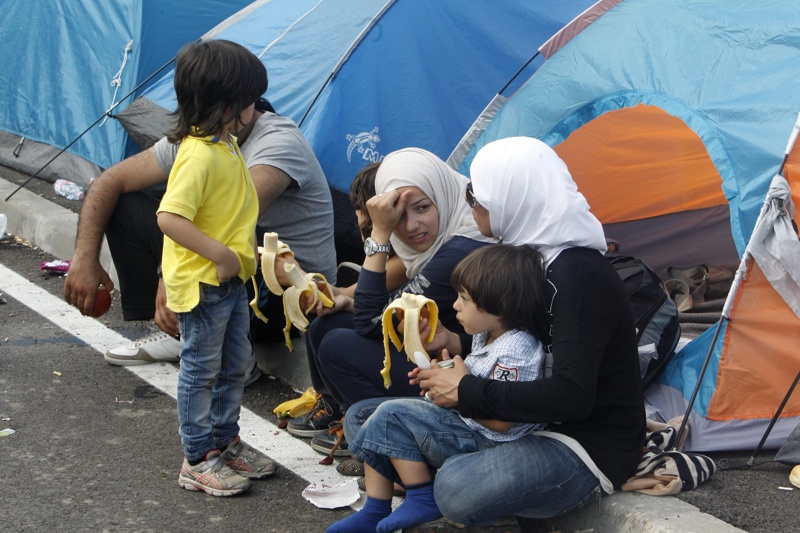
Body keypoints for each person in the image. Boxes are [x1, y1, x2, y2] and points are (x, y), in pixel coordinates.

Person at [344, 136, 646, 525]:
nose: (471, 207)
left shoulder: (577, 274)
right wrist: (457, 342)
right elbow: (526, 340)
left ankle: (447, 479)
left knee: (455, 488)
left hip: (579, 442)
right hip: (519, 424)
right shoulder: (530, 254)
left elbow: (572, 396)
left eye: (477, 198)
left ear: (511, 199)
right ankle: (459, 474)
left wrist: (466, 391)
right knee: (364, 417)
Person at [63, 49, 337, 373]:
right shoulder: (201, 133)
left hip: (287, 298)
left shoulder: (278, 142)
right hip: (224, 272)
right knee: (125, 204)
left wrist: (167, 276)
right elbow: (110, 181)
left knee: (245, 241)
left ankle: (233, 353)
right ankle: (185, 332)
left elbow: (230, 219)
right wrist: (83, 258)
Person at [327, 243, 548, 533]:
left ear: (501, 305)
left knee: (390, 415)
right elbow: (472, 378)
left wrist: (455, 396)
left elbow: (502, 422)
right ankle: (375, 508)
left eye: (464, 299)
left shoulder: (516, 351)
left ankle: (421, 495)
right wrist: (442, 374)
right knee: (362, 413)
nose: (455, 305)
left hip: (488, 441)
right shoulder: (487, 333)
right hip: (466, 422)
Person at [286, 148, 495, 453]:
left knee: (336, 345)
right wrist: (345, 300)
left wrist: (381, 235)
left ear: (443, 194)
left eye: (423, 208)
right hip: (444, 350)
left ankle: (398, 444)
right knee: (325, 323)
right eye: (398, 216)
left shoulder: (461, 247)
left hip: (462, 375)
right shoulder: (446, 233)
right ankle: (351, 418)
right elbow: (389, 308)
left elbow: (372, 323)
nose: (411, 226)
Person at [157, 40, 276, 496]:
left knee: (231, 367)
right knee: (201, 369)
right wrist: (221, 254)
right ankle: (196, 458)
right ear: (227, 103)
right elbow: (169, 217)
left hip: (229, 280)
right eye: (250, 100)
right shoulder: (199, 154)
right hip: (207, 281)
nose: (255, 110)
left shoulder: (224, 145)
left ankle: (226, 444)